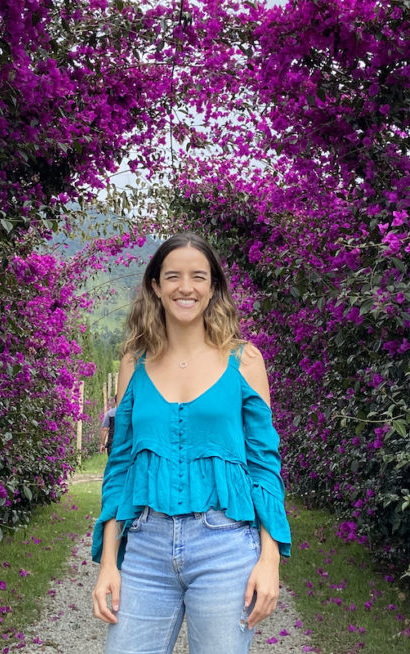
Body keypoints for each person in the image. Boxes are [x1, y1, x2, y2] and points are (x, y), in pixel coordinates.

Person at [91, 233, 291, 654]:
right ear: (155, 286)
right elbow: (120, 467)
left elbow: (264, 465)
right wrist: (109, 561)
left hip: (225, 547)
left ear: (213, 286)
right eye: (173, 276)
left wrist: (269, 559)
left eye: (198, 276)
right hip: (145, 546)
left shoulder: (245, 361)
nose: (186, 287)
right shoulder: (134, 363)